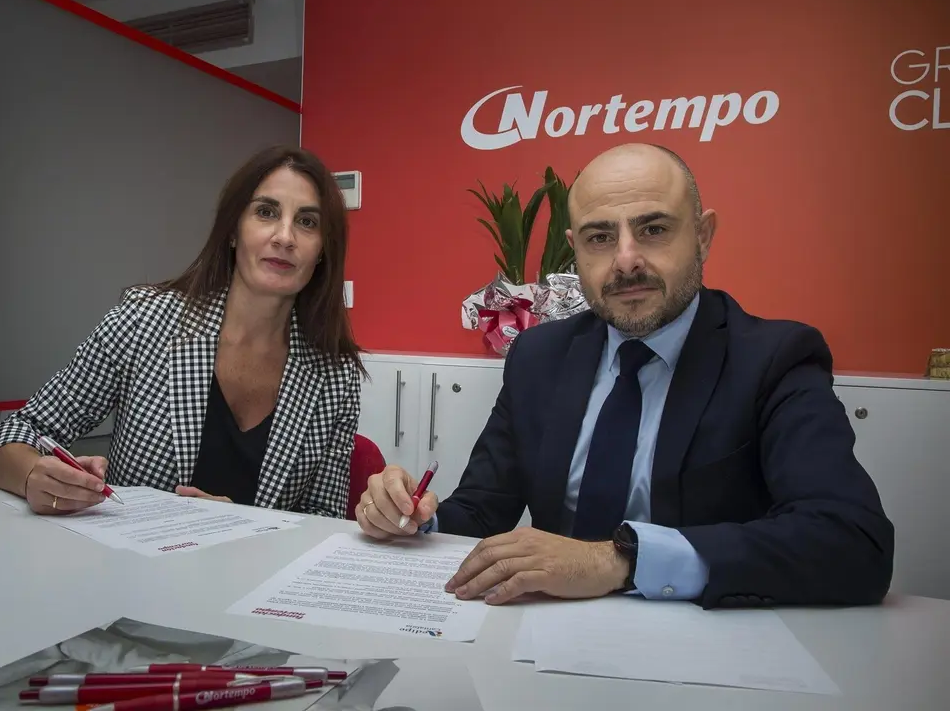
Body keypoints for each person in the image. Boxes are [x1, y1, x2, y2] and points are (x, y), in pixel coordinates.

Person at [356, 143, 894, 609]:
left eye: (654, 229)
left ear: (703, 236)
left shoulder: (773, 359)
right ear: (575, 248)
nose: (626, 260)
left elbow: (853, 542)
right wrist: (414, 519)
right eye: (599, 238)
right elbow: (480, 510)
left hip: (702, 642)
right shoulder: (539, 356)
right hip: (544, 633)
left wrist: (619, 562)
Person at [0, 145, 363, 519]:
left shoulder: (335, 373)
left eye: (307, 222)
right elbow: (19, 430)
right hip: (130, 565)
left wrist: (240, 523)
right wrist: (33, 475)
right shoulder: (145, 322)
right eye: (266, 212)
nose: (285, 237)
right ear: (233, 230)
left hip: (257, 570)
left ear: (322, 250)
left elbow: (322, 521)